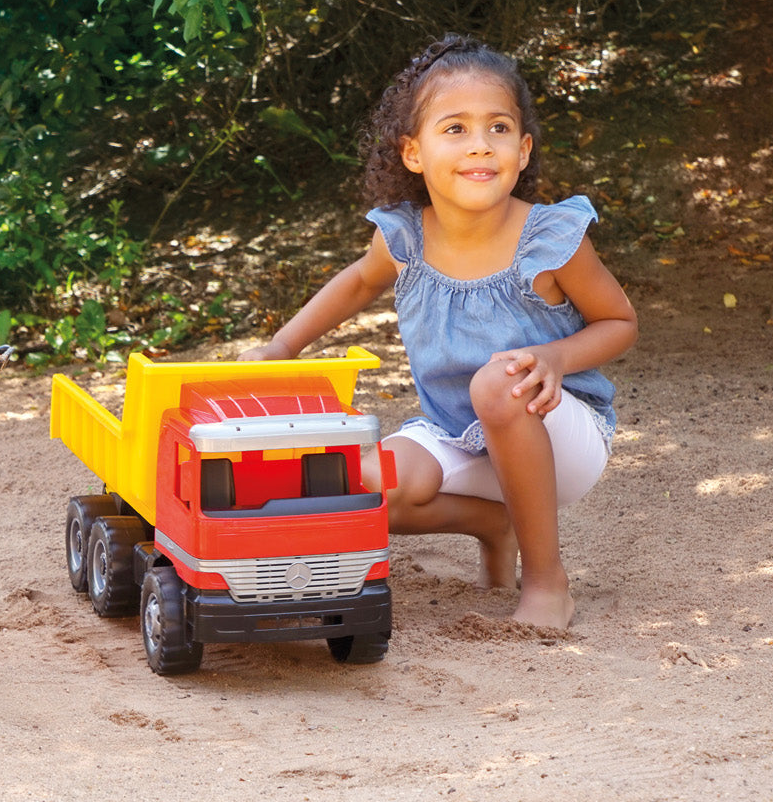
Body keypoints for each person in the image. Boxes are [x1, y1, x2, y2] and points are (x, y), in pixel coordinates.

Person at [240, 34, 637, 630]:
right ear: (413, 153)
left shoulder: (553, 239)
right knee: (369, 480)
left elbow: (620, 322)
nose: (480, 145)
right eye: (455, 129)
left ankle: (547, 580)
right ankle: (492, 524)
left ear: (523, 150)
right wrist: (282, 346)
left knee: (500, 381)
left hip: (559, 435)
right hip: (457, 434)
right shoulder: (404, 238)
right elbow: (355, 284)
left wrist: (554, 357)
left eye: (498, 128)